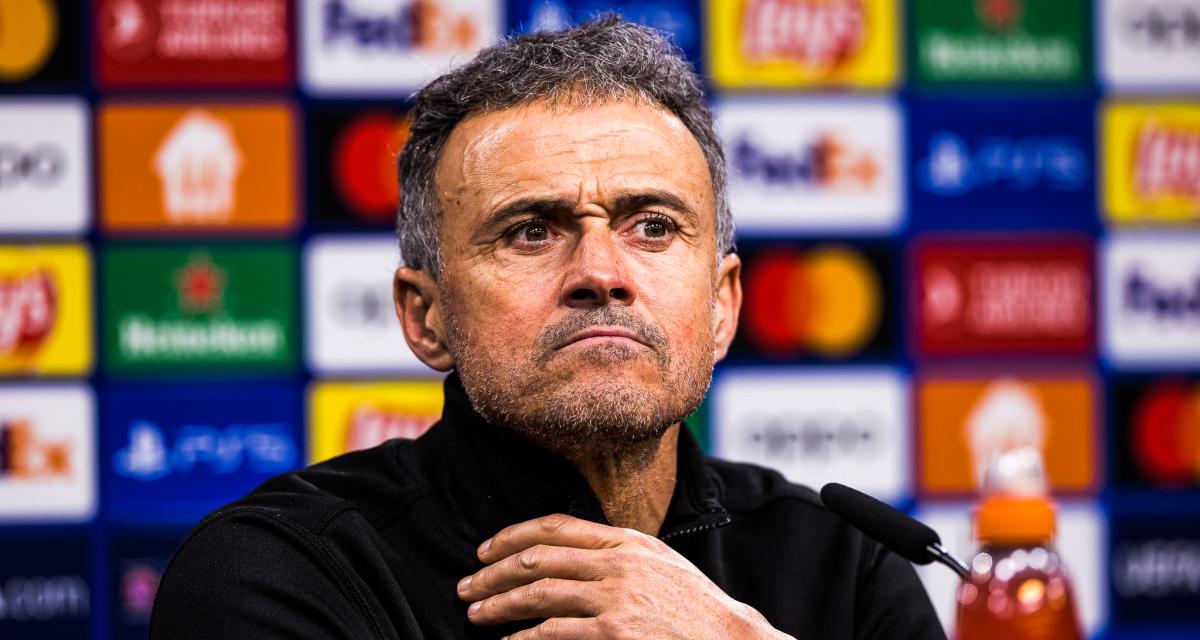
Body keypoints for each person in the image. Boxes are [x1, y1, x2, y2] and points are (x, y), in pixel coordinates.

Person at [150, 16, 945, 640]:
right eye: (531, 231)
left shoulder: (844, 565)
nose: (601, 272)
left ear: (723, 306)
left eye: (653, 227)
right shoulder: (283, 570)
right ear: (425, 317)